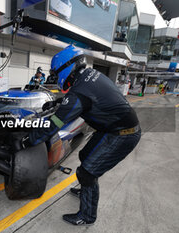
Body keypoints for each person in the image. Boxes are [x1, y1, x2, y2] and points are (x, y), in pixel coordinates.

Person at [14, 45, 141, 226]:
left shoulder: (79, 91)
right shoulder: (90, 76)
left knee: (87, 172)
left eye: (57, 74)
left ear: (67, 68)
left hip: (122, 135)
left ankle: (87, 216)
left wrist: (29, 140)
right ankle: (86, 190)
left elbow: (56, 124)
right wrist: (58, 103)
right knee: (85, 155)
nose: (56, 78)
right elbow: (81, 99)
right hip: (114, 129)